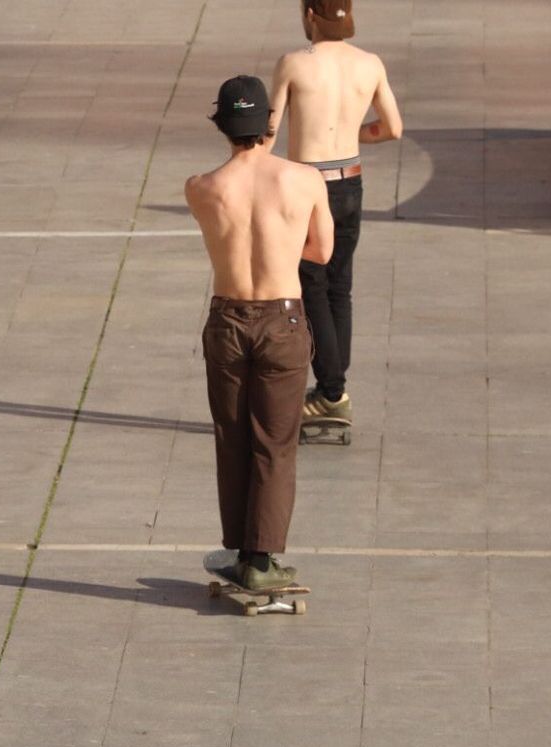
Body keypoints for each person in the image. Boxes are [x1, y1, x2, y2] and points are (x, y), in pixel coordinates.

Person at [185, 75, 333, 590]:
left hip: (227, 319)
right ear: (269, 123)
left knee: (233, 438)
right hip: (282, 318)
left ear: (223, 127)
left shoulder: (200, 187)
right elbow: (321, 252)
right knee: (275, 442)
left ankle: (240, 549)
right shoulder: (305, 180)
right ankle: (262, 559)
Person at [269, 0, 403, 430]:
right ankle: (334, 385)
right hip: (350, 182)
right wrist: (353, 134)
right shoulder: (370, 64)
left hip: (310, 187)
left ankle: (332, 392)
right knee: (339, 286)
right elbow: (392, 128)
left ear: (310, 15)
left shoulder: (293, 63)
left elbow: (268, 134)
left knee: (311, 286)